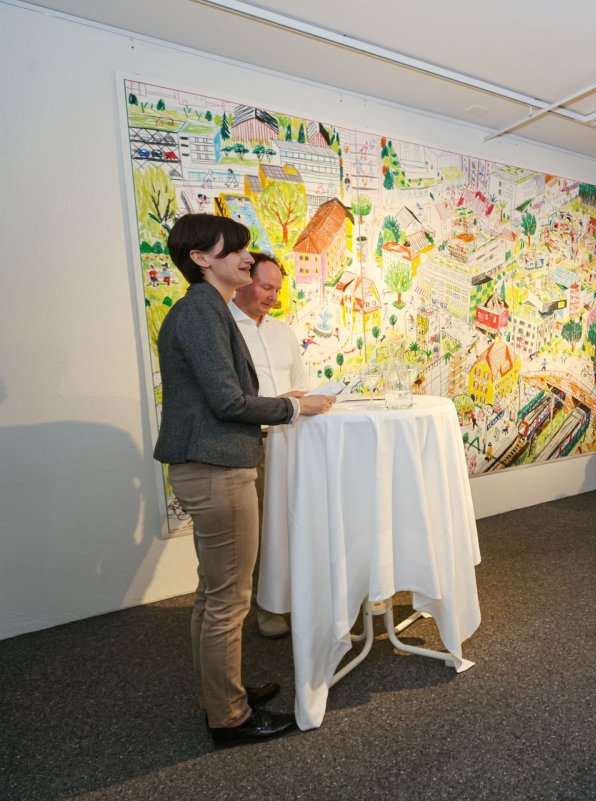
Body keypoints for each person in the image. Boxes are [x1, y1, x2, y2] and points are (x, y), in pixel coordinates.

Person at [154, 214, 335, 748]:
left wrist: (281, 403)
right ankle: (229, 716)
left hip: (212, 464)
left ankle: (221, 692)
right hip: (217, 468)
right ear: (201, 259)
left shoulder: (206, 310)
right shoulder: (200, 312)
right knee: (229, 599)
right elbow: (228, 402)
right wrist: (294, 408)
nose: (247, 259)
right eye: (234, 250)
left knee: (215, 594)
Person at [230, 253, 309, 639]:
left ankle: (298, 597)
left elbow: (300, 382)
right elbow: (229, 397)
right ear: (244, 281)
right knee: (261, 530)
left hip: (291, 439)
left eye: (277, 289)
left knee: (295, 521)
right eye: (266, 287)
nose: (274, 296)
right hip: (251, 441)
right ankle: (267, 608)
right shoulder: (224, 328)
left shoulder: (283, 332)